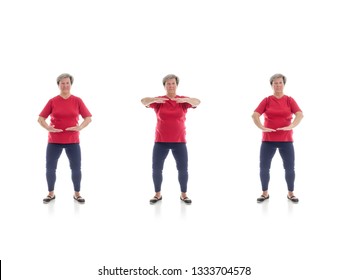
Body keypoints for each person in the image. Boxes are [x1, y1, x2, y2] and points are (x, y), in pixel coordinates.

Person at [141, 74, 200, 204]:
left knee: (183, 169)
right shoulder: (159, 101)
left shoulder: (182, 101)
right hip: (160, 141)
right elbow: (143, 101)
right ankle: (157, 194)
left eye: (173, 83)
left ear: (176, 85)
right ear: (164, 86)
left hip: (179, 141)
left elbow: (198, 102)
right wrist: (153, 99)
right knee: (156, 168)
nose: (171, 86)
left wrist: (187, 100)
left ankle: (184, 195)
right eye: (168, 84)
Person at [38, 73, 92, 204]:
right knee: (50, 168)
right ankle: (51, 194)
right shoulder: (52, 101)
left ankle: (77, 194)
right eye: (62, 83)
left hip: (73, 141)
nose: (65, 85)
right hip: (54, 141)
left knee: (76, 168)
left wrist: (80, 127)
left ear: (71, 84)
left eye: (67, 83)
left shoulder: (77, 100)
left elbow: (88, 118)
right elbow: (40, 119)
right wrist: (48, 128)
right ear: (58, 85)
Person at [252, 73, 303, 203]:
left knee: (290, 168)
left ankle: (291, 193)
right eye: (275, 83)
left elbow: (299, 114)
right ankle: (264, 193)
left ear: (283, 84)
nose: (278, 85)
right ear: (272, 85)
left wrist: (291, 125)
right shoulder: (267, 100)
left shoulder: (289, 100)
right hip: (268, 141)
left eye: (280, 82)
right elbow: (255, 115)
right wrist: (262, 127)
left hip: (286, 141)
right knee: (264, 167)